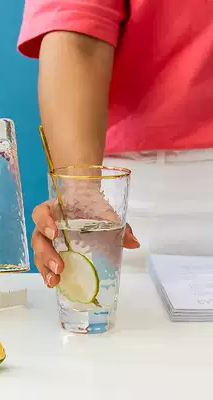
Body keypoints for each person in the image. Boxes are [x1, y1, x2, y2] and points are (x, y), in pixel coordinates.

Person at [17, 1, 213, 287]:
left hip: (145, 203)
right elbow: (78, 33)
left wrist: (80, 197)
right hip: (141, 207)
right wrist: (81, 199)